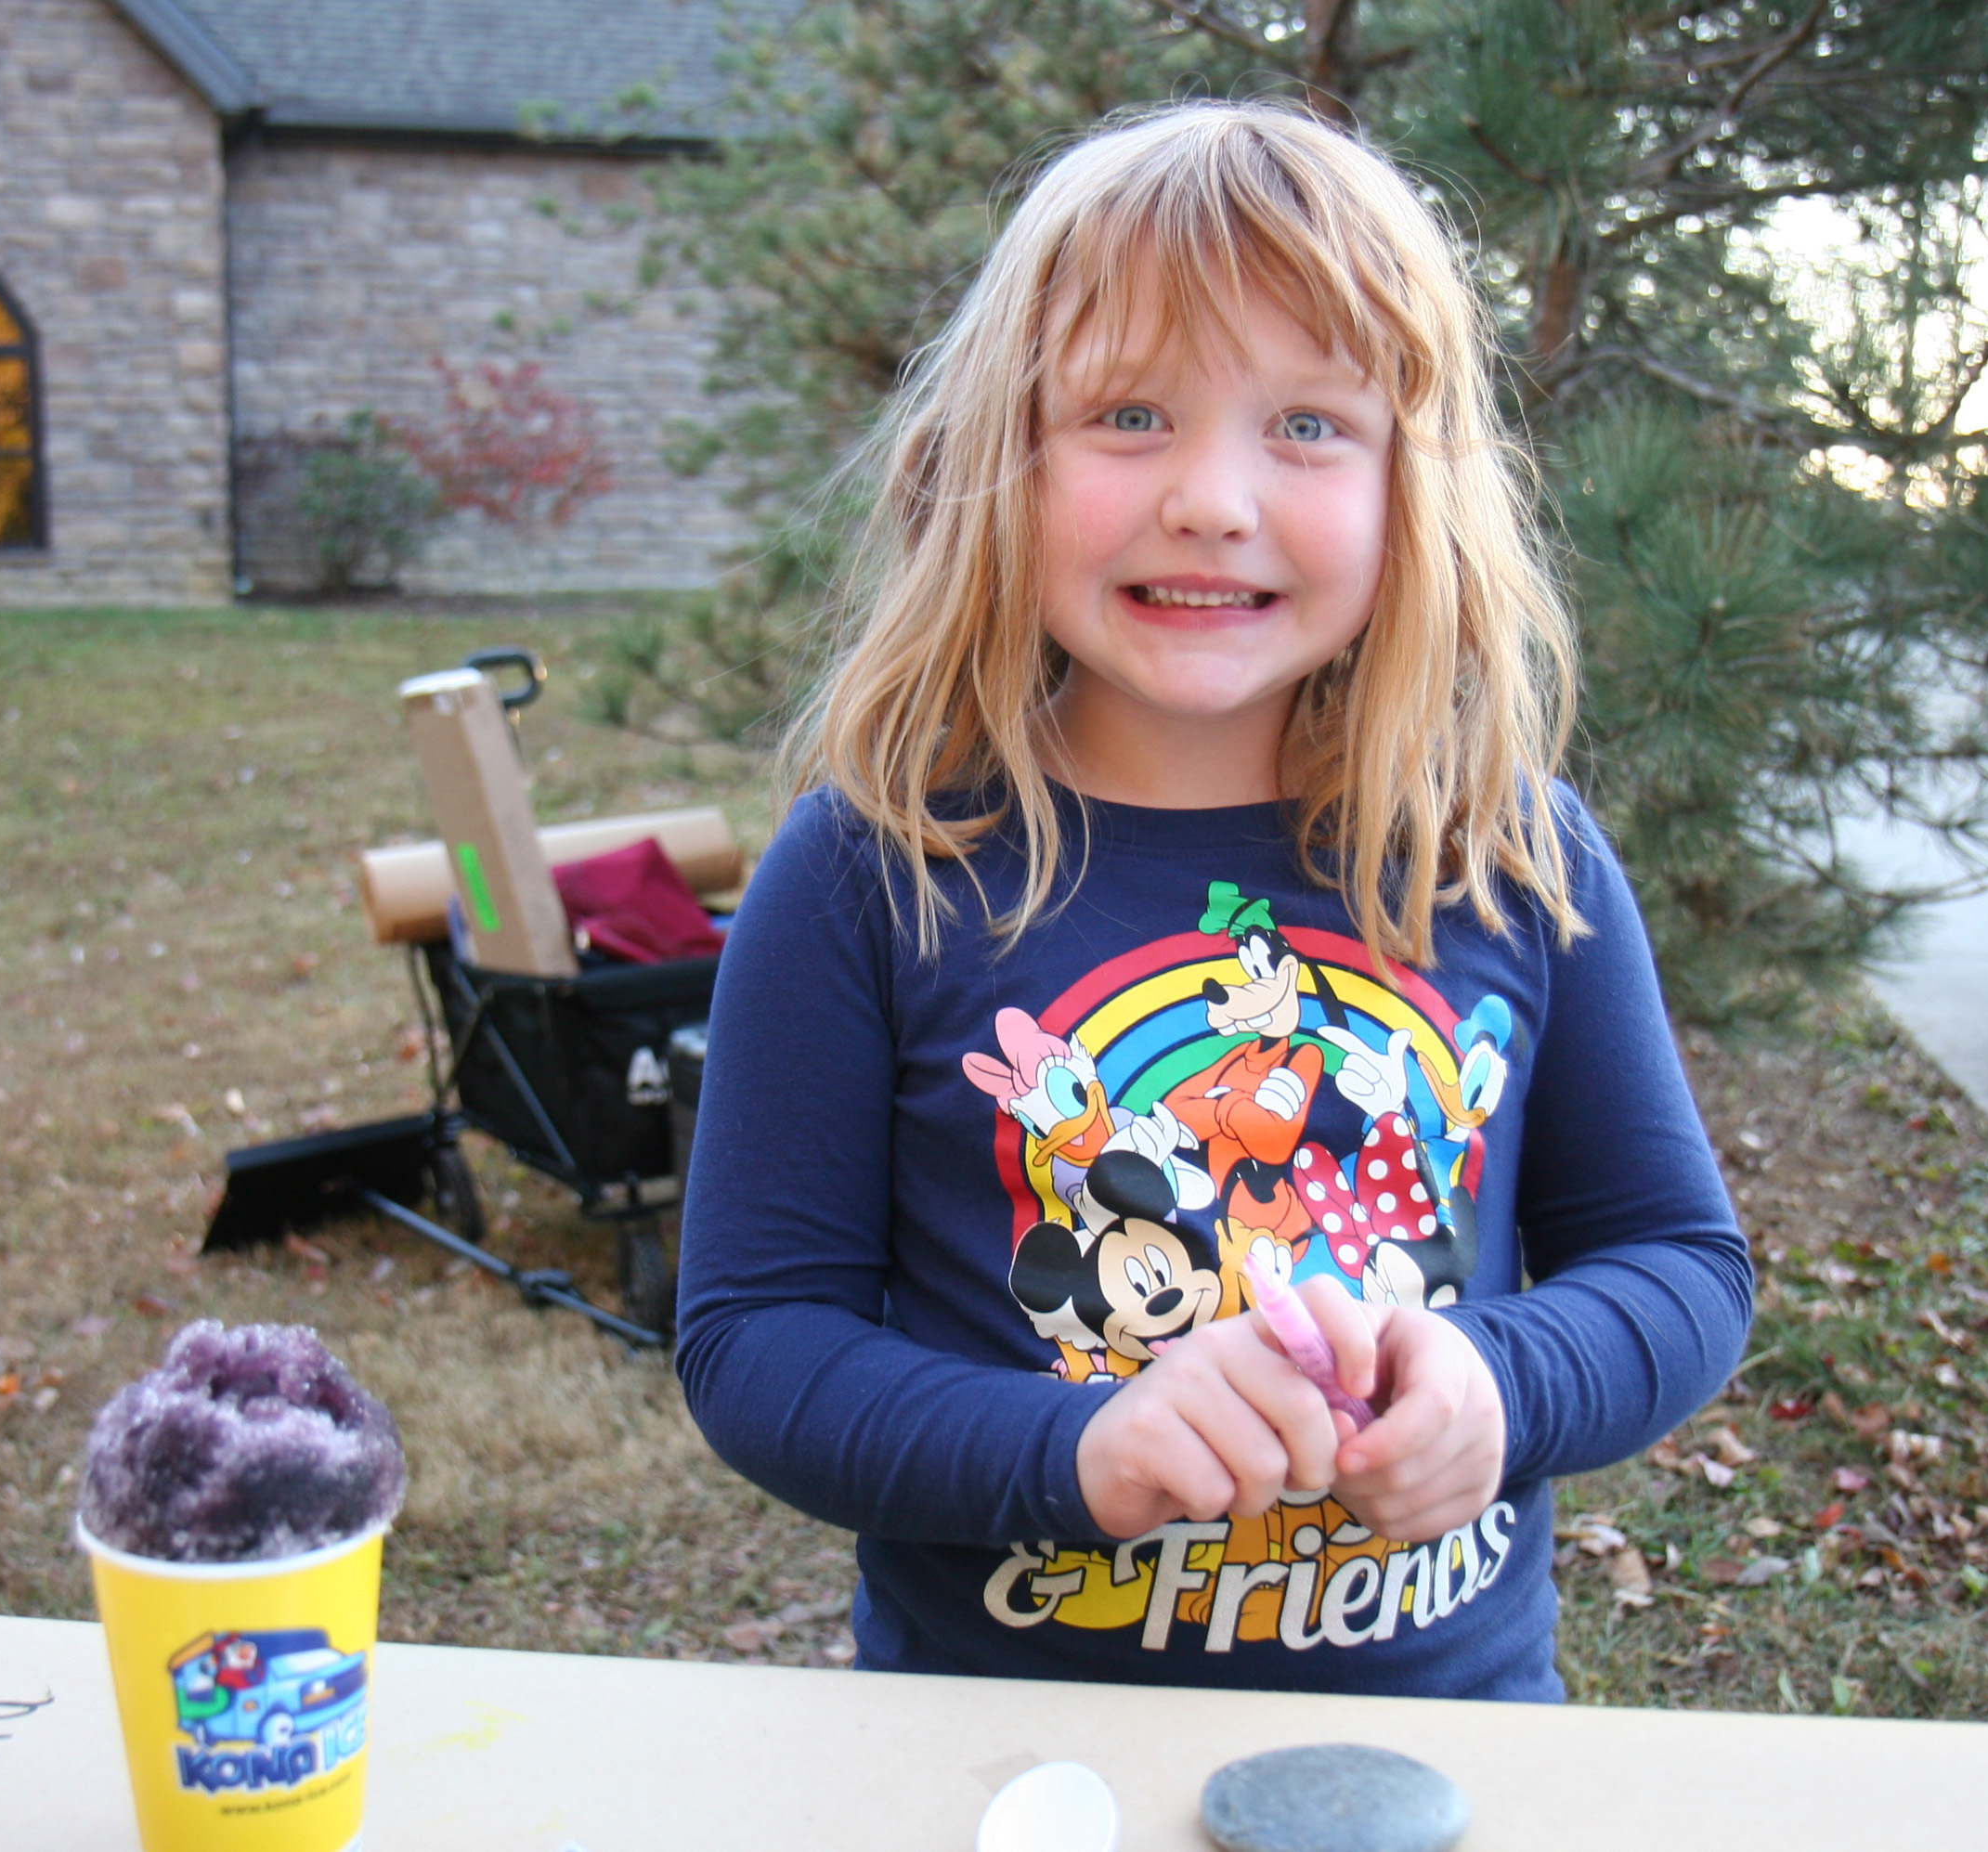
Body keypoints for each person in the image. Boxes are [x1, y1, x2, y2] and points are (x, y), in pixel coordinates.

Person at [675, 101, 1748, 1703]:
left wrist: (1501, 1389)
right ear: (1001, 460)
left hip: (1446, 1754)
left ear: (1415, 488)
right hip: (1005, 1765)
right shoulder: (868, 875)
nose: (1213, 499)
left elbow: (1676, 1259)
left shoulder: (1507, 853)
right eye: (1129, 415)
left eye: (1309, 425)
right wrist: (1082, 1448)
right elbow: (759, 1342)